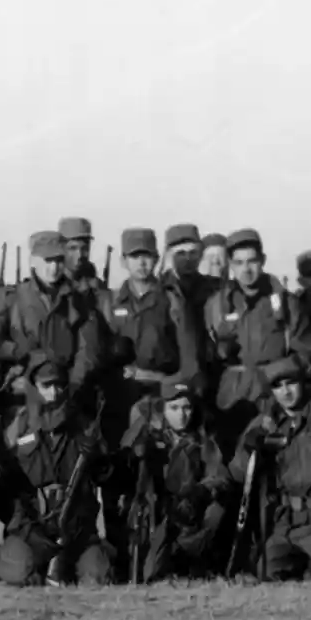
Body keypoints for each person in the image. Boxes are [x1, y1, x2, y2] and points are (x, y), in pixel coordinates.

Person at [95, 227, 205, 577]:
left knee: (158, 479)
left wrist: (162, 385)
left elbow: (188, 360)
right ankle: (118, 554)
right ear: (125, 261)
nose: (142, 263)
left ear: (156, 259)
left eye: (148, 256)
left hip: (159, 402)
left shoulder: (170, 300)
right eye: (135, 256)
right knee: (118, 478)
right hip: (120, 405)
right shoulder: (111, 302)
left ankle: (157, 555)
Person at [229, 355, 311, 582]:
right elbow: (239, 474)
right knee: (266, 577)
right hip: (283, 524)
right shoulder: (265, 423)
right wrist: (249, 449)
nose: (286, 392)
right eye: (278, 386)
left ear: (302, 383)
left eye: (291, 383)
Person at [0, 353, 115, 587]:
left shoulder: (84, 426)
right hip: (30, 529)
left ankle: (67, 565)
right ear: (33, 386)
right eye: (46, 386)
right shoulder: (16, 426)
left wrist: (98, 458)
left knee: (98, 578)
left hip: (77, 531)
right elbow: (5, 489)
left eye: (60, 385)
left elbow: (105, 477)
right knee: (19, 572)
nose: (54, 393)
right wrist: (27, 528)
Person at [0, 230, 107, 415]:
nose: (53, 268)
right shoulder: (13, 298)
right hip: (21, 394)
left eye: (59, 260)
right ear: (33, 261)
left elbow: (88, 350)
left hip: (64, 393)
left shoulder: (77, 301)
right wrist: (15, 351)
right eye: (48, 261)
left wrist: (72, 386)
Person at [203, 228, 311, 455]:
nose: (246, 269)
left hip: (275, 398)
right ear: (230, 265)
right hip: (231, 400)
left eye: (252, 261)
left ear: (263, 260)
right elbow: (208, 359)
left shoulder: (287, 303)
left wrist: (268, 375)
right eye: (239, 262)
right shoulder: (217, 305)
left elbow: (306, 356)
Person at [119, 379, 231, 582]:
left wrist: (201, 492)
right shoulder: (146, 433)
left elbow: (220, 477)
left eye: (187, 407)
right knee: (150, 571)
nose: (182, 415)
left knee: (217, 511)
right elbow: (122, 466)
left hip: (189, 512)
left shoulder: (203, 438)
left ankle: (194, 563)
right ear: (163, 408)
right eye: (174, 408)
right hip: (155, 512)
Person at [59, 216, 106, 295]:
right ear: (61, 248)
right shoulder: (51, 286)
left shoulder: (97, 286)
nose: (79, 255)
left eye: (85, 248)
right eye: (72, 248)